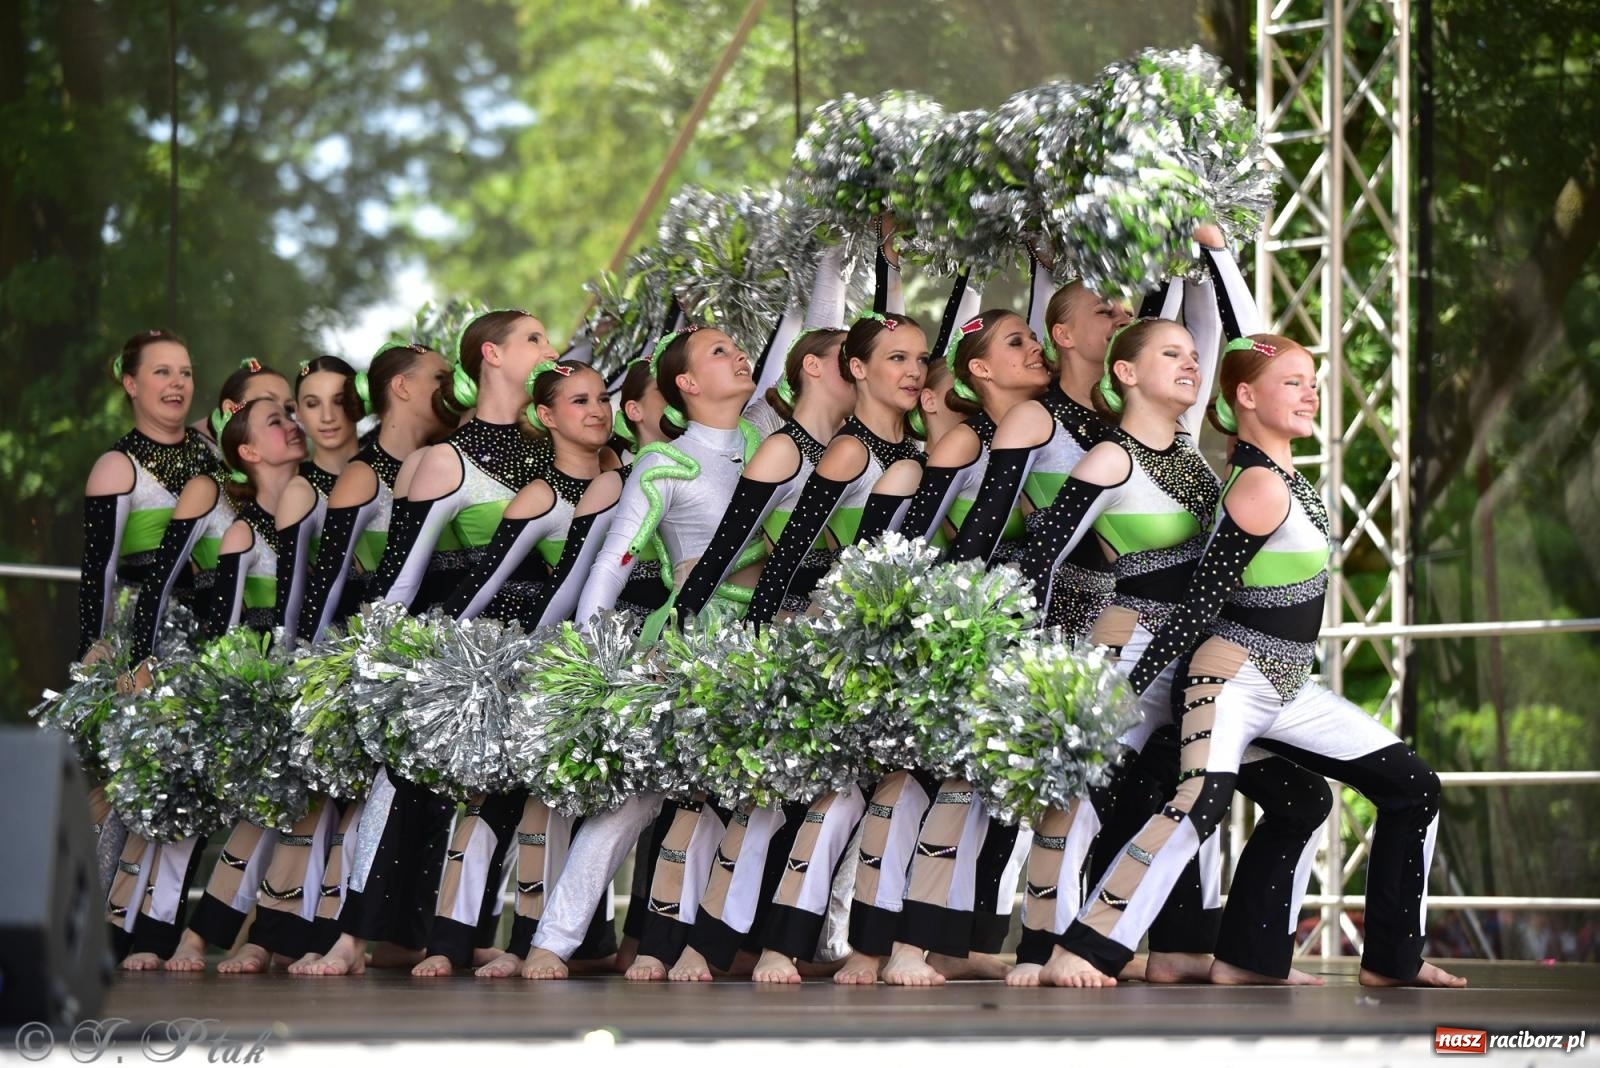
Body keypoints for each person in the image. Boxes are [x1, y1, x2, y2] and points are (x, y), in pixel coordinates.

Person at [1046, 333, 1466, 990]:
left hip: (1287, 686)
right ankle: (1087, 946)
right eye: (1292, 381)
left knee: (1401, 788)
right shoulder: (1255, 487)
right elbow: (1197, 606)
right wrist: (1127, 687)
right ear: (1246, 396)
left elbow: (1247, 343)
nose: (1310, 393)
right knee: (1199, 801)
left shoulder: (1282, 477)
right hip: (1230, 680)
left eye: (1312, 380)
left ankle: (1346, 959)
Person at [303, 310, 563, 977]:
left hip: (544, 648)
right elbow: (400, 574)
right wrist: (384, 660)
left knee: (502, 796)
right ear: (491, 356)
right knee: (406, 785)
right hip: (458, 649)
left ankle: (461, 933)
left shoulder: (556, 450)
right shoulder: (442, 459)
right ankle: (350, 937)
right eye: (534, 339)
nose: (550, 348)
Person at [110, 360, 293, 970]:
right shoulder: (213, 492)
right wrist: (142, 660)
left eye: (289, 408)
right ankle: (131, 932)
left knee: (269, 803)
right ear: (233, 423)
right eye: (272, 411)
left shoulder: (299, 502)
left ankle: (207, 932)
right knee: (175, 797)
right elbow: (166, 584)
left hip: (275, 670)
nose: (291, 421)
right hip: (210, 662)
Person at [163, 398, 309, 972]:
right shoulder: (243, 534)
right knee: (262, 813)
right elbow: (222, 630)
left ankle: (261, 938)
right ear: (247, 453)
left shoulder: (321, 504)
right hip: (264, 685)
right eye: (276, 422)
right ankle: (199, 937)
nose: (291, 425)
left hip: (315, 677)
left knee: (294, 816)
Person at [77, 330, 217, 913]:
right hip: (147, 636)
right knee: (130, 776)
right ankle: (82, 903)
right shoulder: (117, 465)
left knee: (189, 778)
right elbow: (99, 570)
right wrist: (99, 647)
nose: (176, 383)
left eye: (184, 372)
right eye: (161, 372)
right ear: (131, 384)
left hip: (212, 635)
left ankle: (149, 919)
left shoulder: (213, 454)